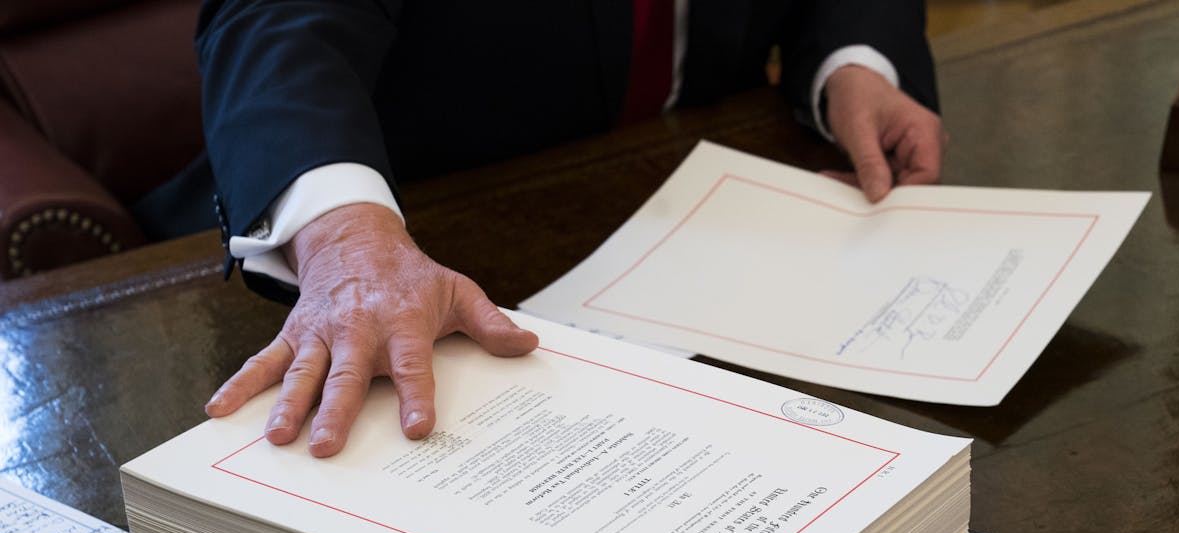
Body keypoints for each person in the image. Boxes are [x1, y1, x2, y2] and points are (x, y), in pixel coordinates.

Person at [195, 1, 945, 457]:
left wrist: (857, 60)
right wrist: (344, 240)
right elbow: (274, 20)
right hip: (428, 256)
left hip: (725, 221)